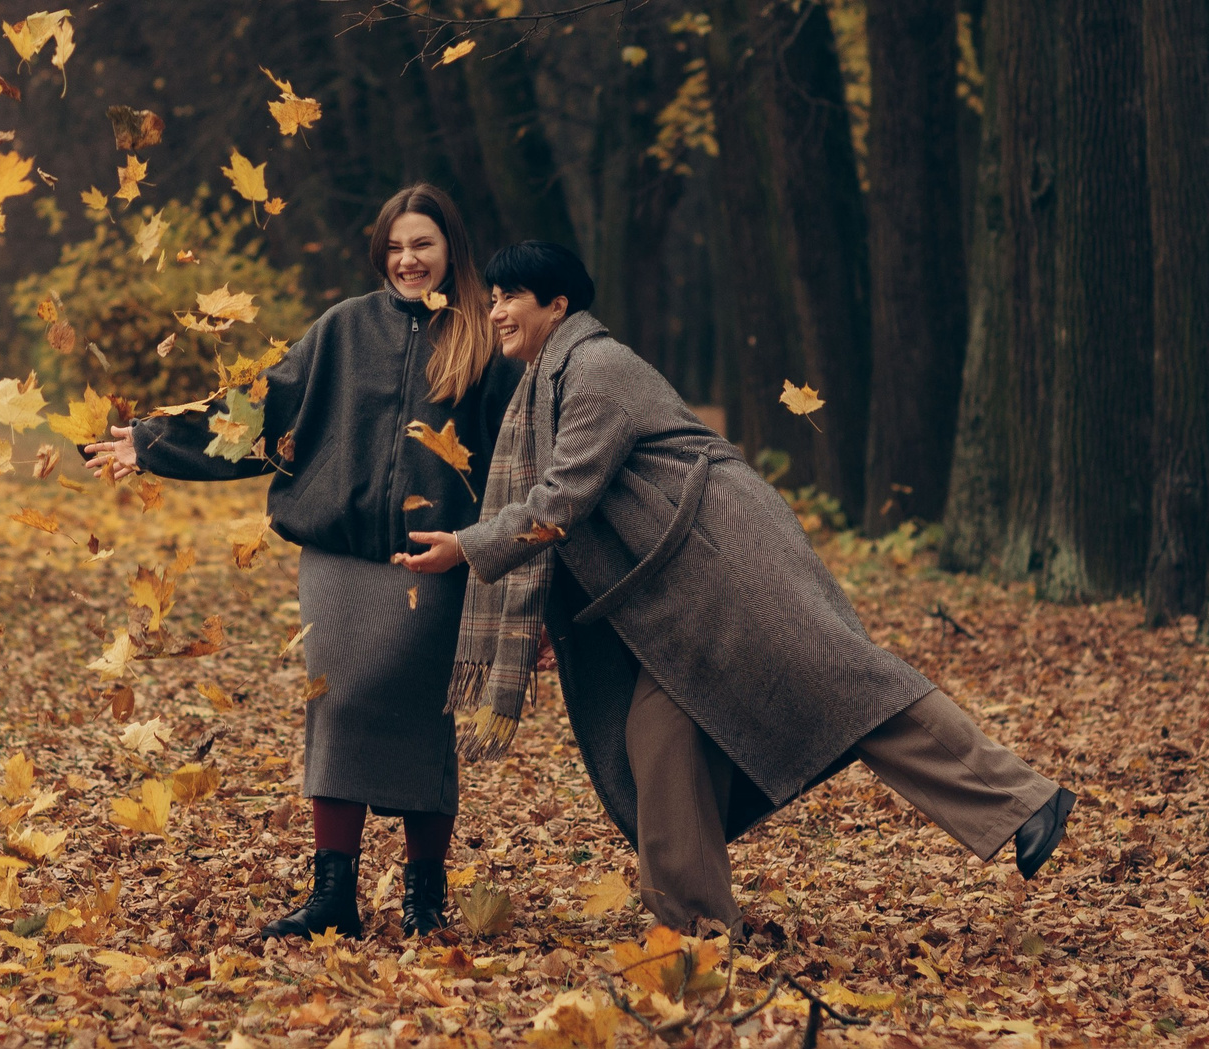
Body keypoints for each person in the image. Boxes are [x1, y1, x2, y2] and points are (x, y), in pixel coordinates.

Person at [400, 241, 1073, 933]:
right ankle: (698, 927)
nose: (497, 312)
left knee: (854, 686)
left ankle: (1022, 800)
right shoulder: (553, 378)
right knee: (661, 740)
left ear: (558, 304)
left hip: (727, 561)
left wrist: (467, 547)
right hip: (679, 585)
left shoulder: (596, 370)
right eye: (493, 299)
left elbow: (562, 501)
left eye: (512, 297)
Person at [84, 185, 523, 939]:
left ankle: (424, 896)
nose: (408, 260)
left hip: (436, 561)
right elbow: (259, 411)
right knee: (337, 704)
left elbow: (522, 461)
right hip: (338, 558)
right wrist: (153, 442)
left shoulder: (481, 344)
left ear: (451, 249)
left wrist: (497, 558)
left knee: (423, 718)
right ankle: (333, 894)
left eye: (422, 244)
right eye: (395, 246)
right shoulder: (344, 328)